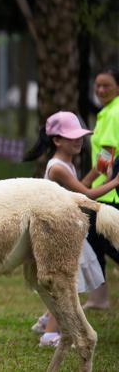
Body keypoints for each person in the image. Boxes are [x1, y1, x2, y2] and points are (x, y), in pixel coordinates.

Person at [23, 110, 119, 347]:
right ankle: (49, 335)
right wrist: (116, 181)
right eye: (72, 136)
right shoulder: (57, 167)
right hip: (58, 234)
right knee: (66, 286)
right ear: (57, 140)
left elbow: (80, 188)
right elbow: (86, 195)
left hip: (67, 232)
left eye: (80, 136)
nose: (79, 140)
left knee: (67, 284)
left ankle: (46, 320)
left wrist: (98, 171)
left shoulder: (66, 164)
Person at [85, 67, 119, 310]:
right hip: (106, 190)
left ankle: (99, 298)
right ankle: (99, 298)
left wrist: (83, 184)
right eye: (97, 85)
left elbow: (106, 156)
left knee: (106, 243)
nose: (100, 90)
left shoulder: (113, 113)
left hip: (108, 192)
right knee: (94, 242)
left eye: (106, 85)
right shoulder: (109, 111)